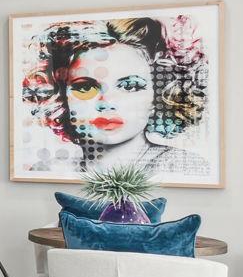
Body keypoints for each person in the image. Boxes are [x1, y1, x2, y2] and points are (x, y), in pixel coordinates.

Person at [28, 16, 210, 177]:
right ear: (61, 98)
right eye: (85, 87)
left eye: (130, 86)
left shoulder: (178, 166)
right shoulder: (49, 170)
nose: (107, 103)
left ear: (159, 96)